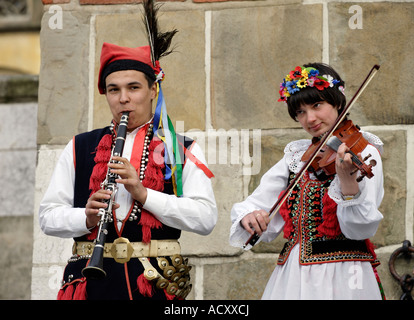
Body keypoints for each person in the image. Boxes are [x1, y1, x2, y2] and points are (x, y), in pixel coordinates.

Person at [39, 3, 217, 300]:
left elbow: (205, 219)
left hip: (154, 285)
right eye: (113, 90)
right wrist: (86, 217)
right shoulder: (80, 146)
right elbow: (47, 217)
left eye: (133, 87)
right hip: (89, 282)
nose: (124, 99)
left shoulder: (180, 148)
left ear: (152, 91)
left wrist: (143, 193)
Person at [229, 63, 385, 300]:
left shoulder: (364, 152)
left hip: (344, 275)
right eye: (300, 112)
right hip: (294, 276)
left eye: (317, 105)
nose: (309, 118)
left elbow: (359, 229)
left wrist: (348, 183)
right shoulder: (298, 157)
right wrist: (249, 216)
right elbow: (257, 204)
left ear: (338, 103)